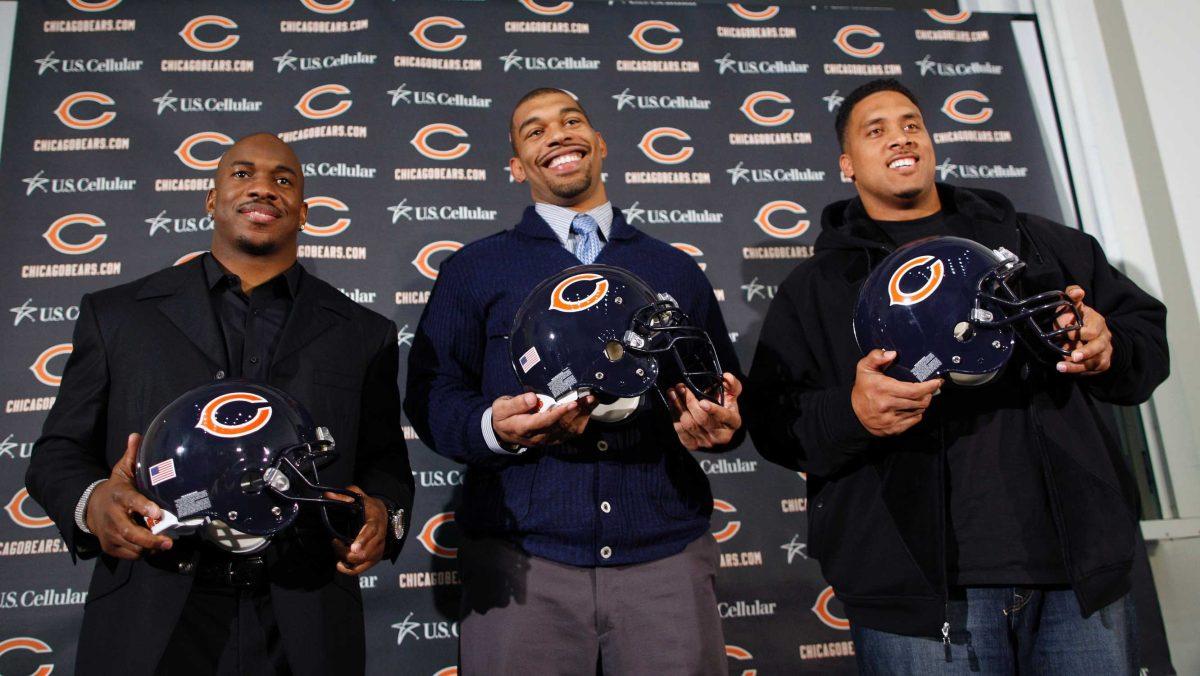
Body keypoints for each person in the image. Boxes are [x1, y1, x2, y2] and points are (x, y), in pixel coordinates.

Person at [746, 79, 1168, 673]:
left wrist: (1110, 347)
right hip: (918, 597)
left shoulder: (1038, 246)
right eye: (876, 130)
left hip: (1076, 578)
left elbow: (1144, 343)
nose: (901, 137)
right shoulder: (815, 289)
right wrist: (854, 413)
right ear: (847, 164)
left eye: (911, 123)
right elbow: (773, 422)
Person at [25, 133, 414, 676]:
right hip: (151, 613)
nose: (263, 188)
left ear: (303, 211)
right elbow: (58, 452)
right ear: (211, 199)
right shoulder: (117, 316)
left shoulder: (363, 334)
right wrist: (92, 503)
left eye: (284, 180)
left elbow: (385, 466)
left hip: (305, 621)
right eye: (242, 173)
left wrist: (382, 515)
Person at [405, 88, 743, 674]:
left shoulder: (673, 269)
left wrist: (724, 425)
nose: (557, 135)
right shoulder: (475, 268)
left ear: (600, 143)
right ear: (516, 166)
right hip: (522, 564)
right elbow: (432, 395)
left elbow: (721, 390)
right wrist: (493, 428)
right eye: (534, 132)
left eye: (571, 121)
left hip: (664, 559)